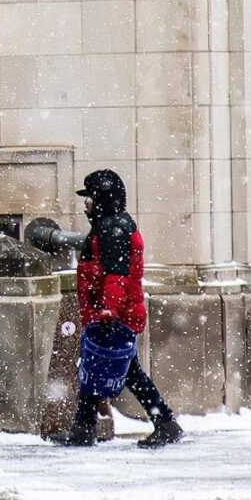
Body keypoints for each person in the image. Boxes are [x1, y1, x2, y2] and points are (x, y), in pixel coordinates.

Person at [53, 169, 184, 448]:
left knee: (115, 370)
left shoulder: (112, 229)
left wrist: (108, 309)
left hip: (113, 318)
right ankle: (85, 426)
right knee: (101, 367)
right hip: (111, 315)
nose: (85, 203)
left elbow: (117, 276)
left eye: (89, 197)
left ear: (101, 199)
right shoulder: (109, 225)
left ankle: (163, 422)